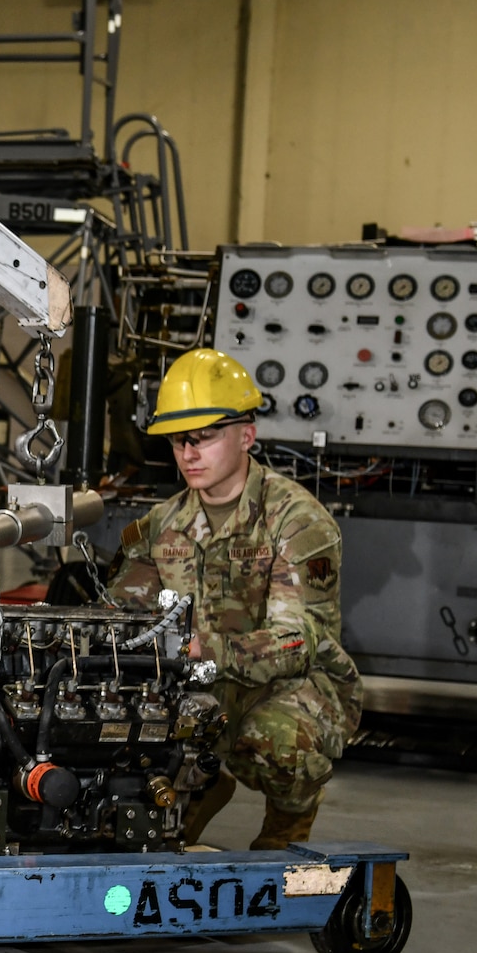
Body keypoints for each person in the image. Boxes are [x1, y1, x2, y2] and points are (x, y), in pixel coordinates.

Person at [102, 349, 362, 849]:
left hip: (293, 684)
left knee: (274, 742)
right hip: (198, 684)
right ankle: (198, 785)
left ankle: (289, 820)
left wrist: (208, 648)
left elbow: (298, 642)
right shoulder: (160, 526)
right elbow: (124, 617)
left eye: (203, 438)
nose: (189, 454)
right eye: (178, 441)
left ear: (246, 435)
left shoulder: (297, 520)